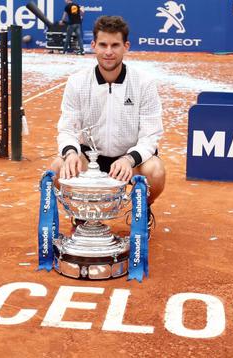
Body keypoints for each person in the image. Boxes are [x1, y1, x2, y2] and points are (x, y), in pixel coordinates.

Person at [50, 15, 165, 229]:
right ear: (93, 45)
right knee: (59, 167)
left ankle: (142, 207)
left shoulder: (144, 83)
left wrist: (129, 159)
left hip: (129, 161)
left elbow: (151, 134)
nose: (108, 51)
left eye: (115, 45)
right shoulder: (77, 82)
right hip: (90, 158)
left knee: (156, 171)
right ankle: (83, 213)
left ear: (126, 47)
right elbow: (67, 129)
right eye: (103, 45)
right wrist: (71, 153)